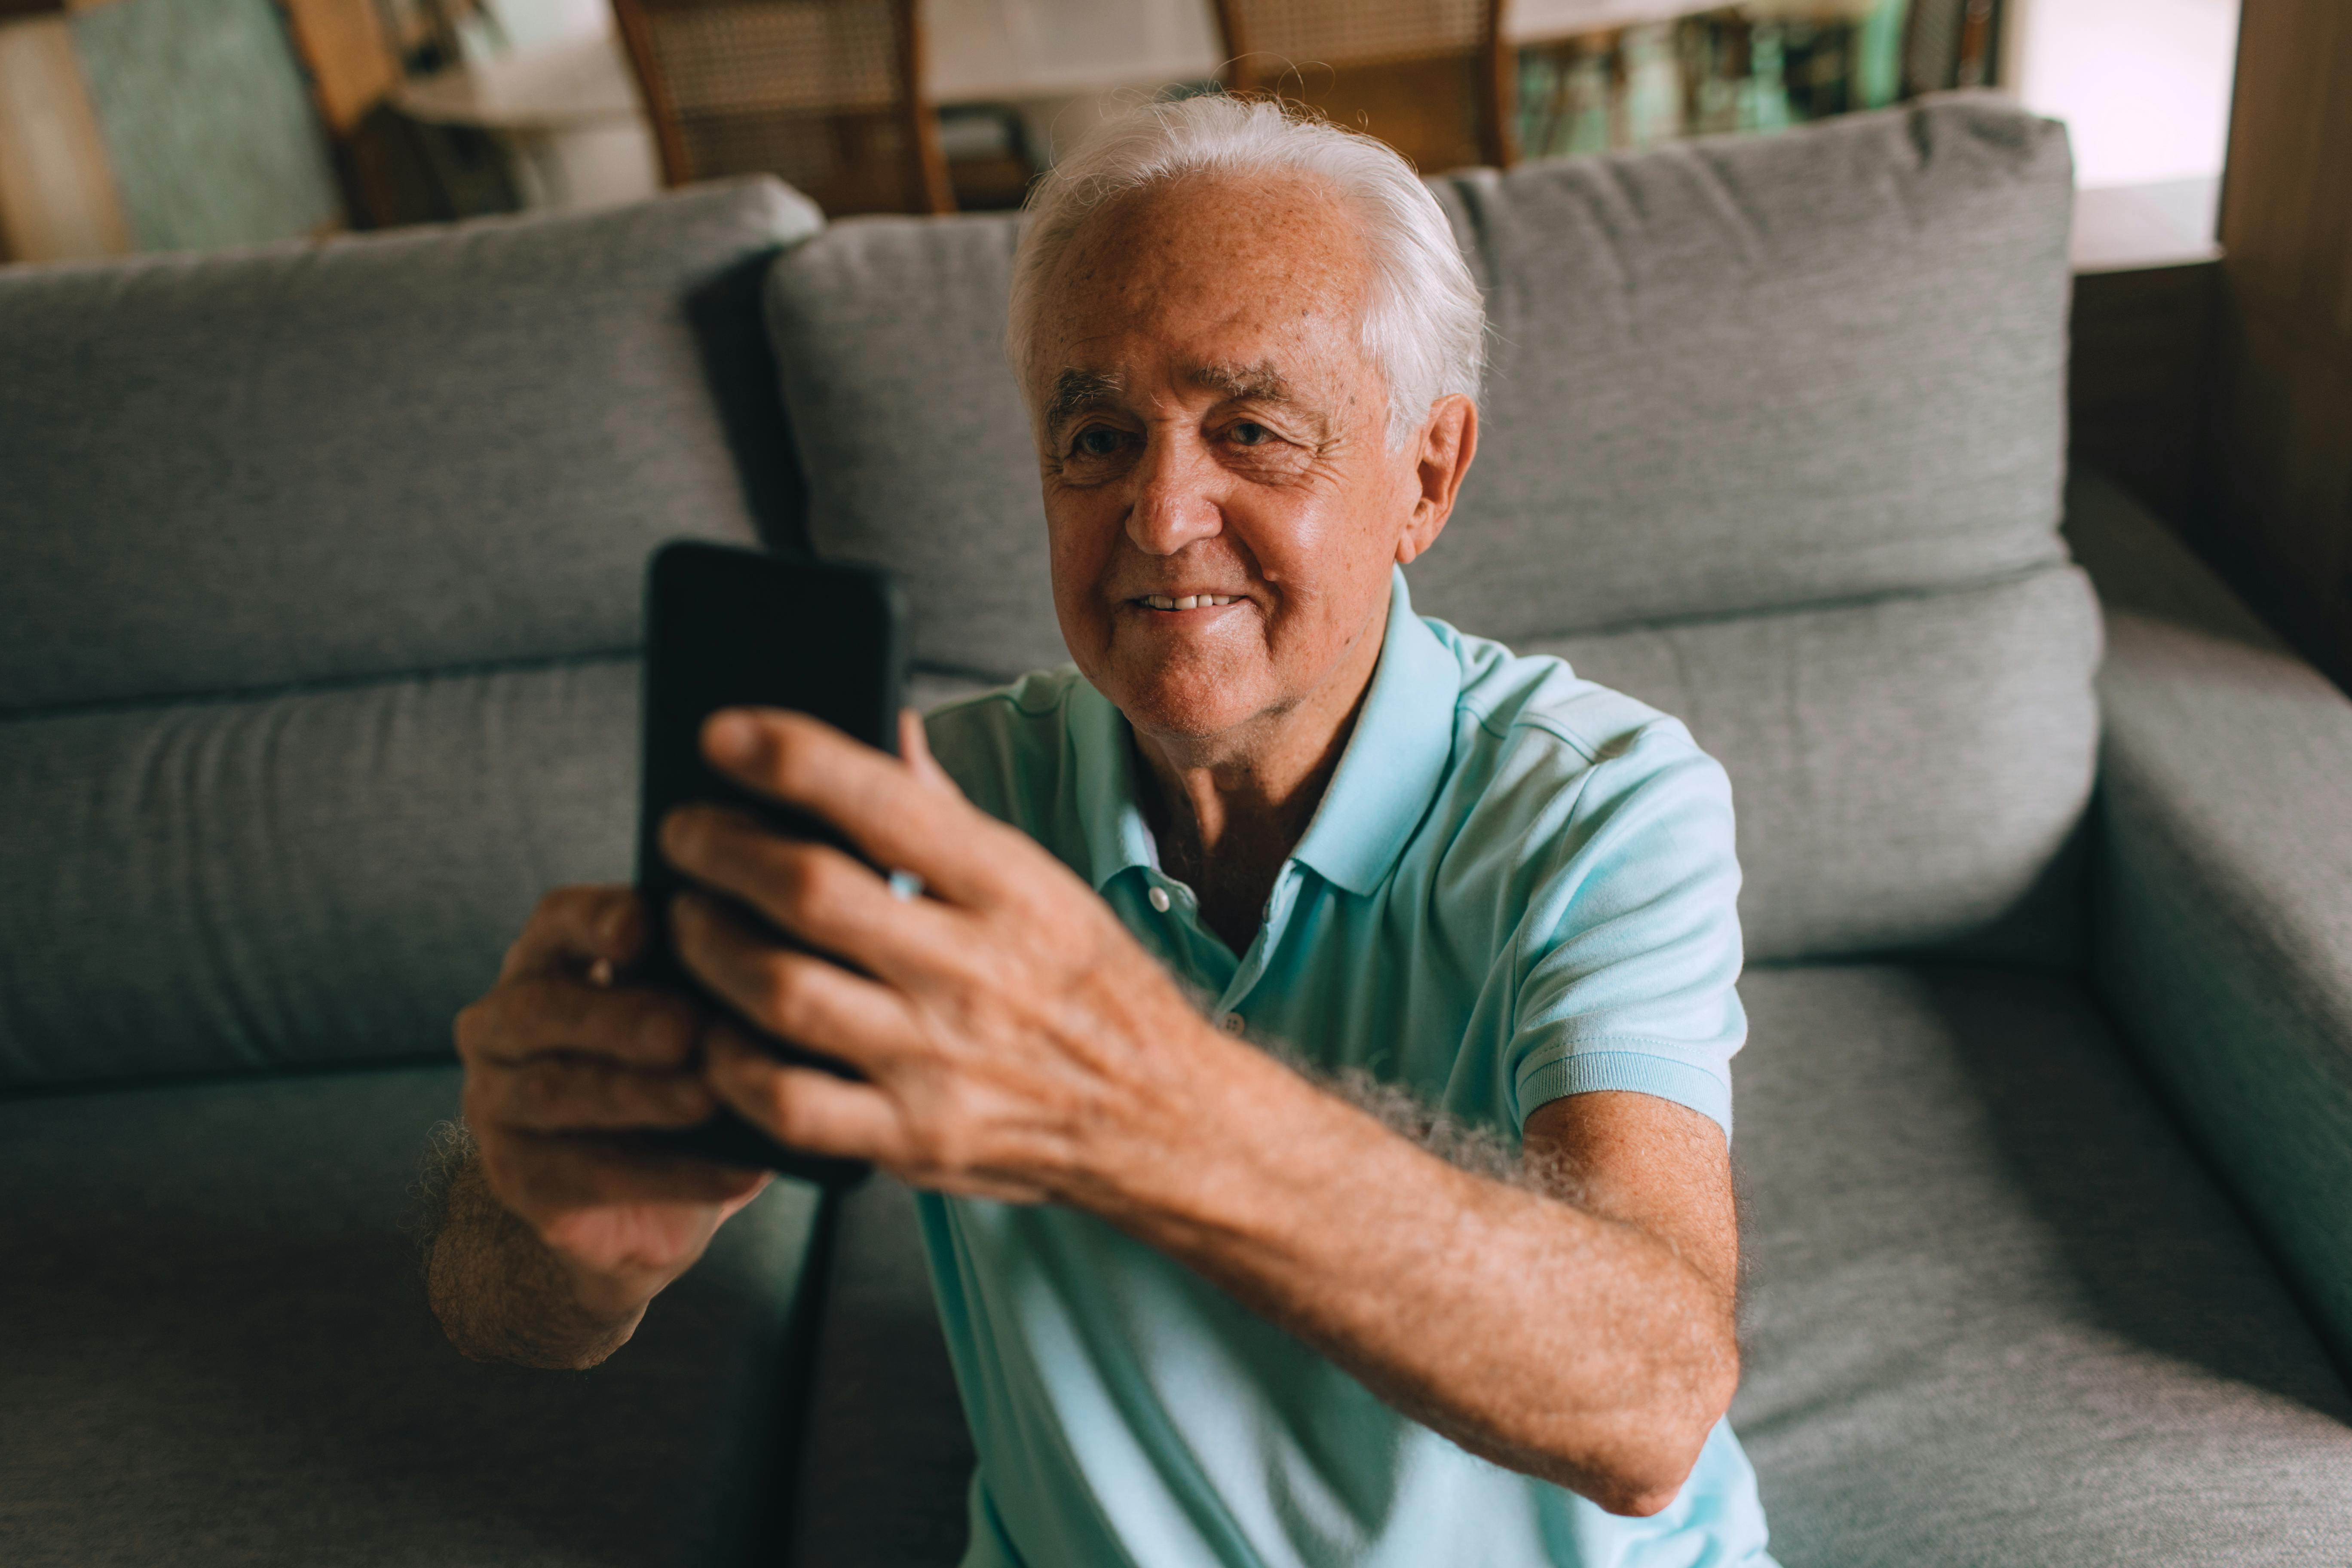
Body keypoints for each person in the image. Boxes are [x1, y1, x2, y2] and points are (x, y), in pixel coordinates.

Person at [430, 95, 1777, 1567]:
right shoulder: (927, 813)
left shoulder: (1602, 801)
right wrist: (557, 1226)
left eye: (1252, 430)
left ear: (1428, 474)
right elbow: (502, 1314)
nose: (1158, 510)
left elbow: (1650, 1403)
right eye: (1096, 437)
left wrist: (1123, 1097)